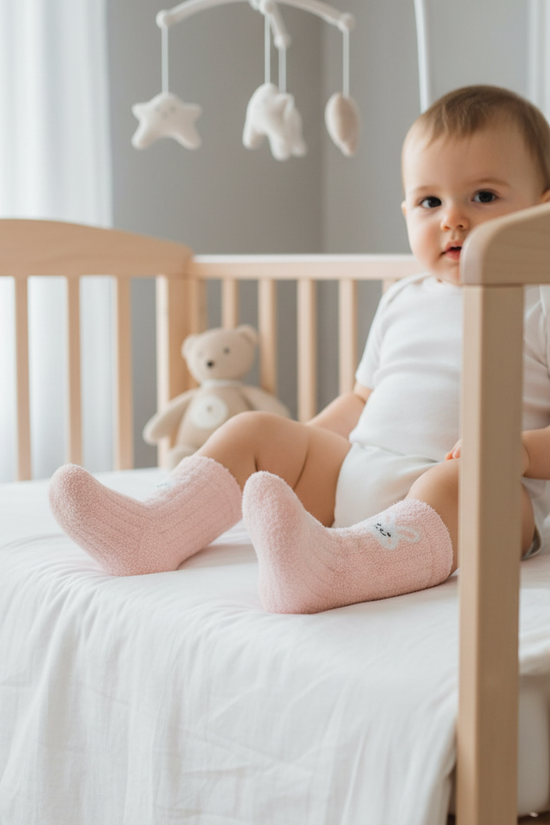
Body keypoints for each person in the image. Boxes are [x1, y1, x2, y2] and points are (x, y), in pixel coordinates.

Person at [49, 84, 550, 614]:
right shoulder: (403, 298)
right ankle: (155, 529)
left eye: (484, 196)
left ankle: (337, 569)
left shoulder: (538, 303)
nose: (452, 218)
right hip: (360, 471)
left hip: (484, 495)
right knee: (258, 430)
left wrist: (512, 450)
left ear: (543, 211)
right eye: (430, 201)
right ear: (406, 210)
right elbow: (360, 403)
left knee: (459, 482)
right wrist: (301, 446)